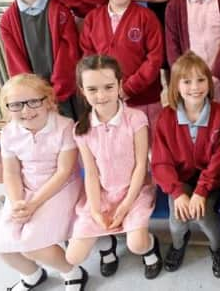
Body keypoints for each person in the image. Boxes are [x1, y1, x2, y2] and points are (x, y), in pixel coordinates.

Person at [66, 55, 162, 280]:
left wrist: (127, 203)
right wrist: (97, 210)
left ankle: (150, 246)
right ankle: (106, 243)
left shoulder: (136, 119)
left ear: (120, 85)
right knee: (73, 256)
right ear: (82, 90)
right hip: (102, 193)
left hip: (135, 191)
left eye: (108, 87)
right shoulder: (82, 128)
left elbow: (141, 165)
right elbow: (90, 172)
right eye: (92, 89)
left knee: (137, 245)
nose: (101, 96)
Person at [0, 74, 87, 291]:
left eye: (33, 102)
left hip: (60, 187)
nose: (26, 111)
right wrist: (18, 202)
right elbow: (11, 173)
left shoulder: (65, 126)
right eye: (16, 105)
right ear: (8, 108)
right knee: (3, 248)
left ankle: (72, 271)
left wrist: (34, 204)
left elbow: (64, 172)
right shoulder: (8, 133)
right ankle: (32, 275)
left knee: (31, 244)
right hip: (24, 189)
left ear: (48, 101)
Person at [151, 52, 220, 277]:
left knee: (204, 216)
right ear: (176, 85)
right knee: (176, 221)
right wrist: (178, 193)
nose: (195, 87)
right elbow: (161, 162)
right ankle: (178, 244)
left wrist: (201, 191)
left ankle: (218, 247)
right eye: (187, 81)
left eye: (201, 80)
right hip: (181, 181)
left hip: (211, 181)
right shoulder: (166, 118)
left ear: (209, 82)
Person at [80, 0, 164, 133]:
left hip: (146, 100)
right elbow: (89, 60)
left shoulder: (146, 17)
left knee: (153, 150)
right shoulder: (92, 20)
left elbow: (154, 59)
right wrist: (106, 90)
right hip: (108, 103)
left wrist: (128, 88)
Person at [0, 0, 80, 119]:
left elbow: (69, 55)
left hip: (65, 94)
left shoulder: (61, 12)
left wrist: (54, 94)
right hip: (34, 101)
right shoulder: (8, 21)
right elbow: (16, 64)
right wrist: (35, 96)